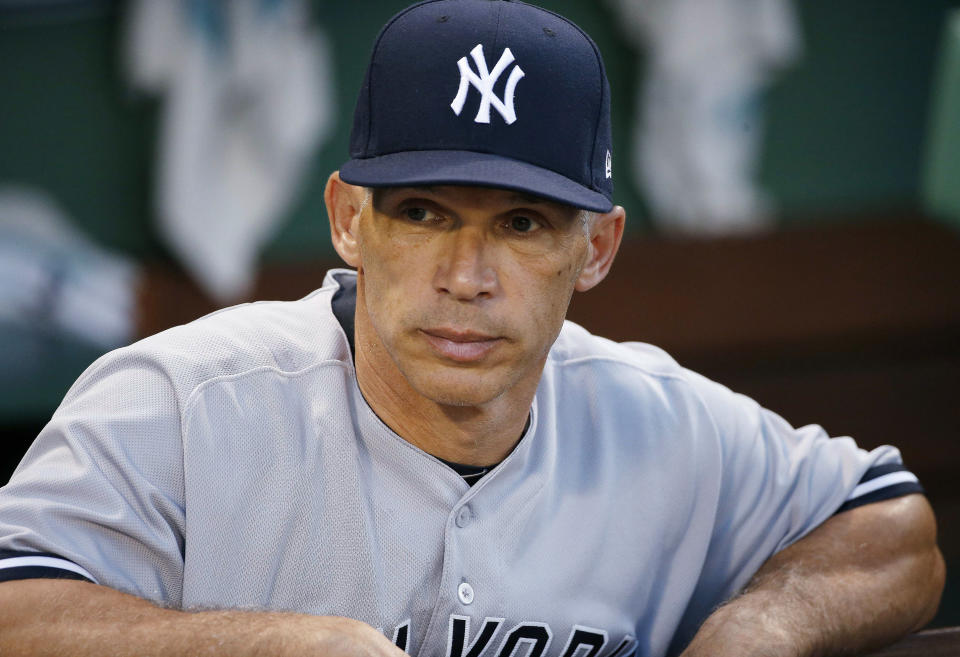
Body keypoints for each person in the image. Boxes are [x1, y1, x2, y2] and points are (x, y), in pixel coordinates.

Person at [0, 1, 944, 656]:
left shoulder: (660, 422)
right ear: (346, 219)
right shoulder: (179, 398)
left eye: (521, 224)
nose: (466, 278)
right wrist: (275, 642)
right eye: (423, 213)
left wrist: (762, 626)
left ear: (599, 248)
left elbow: (895, 529)